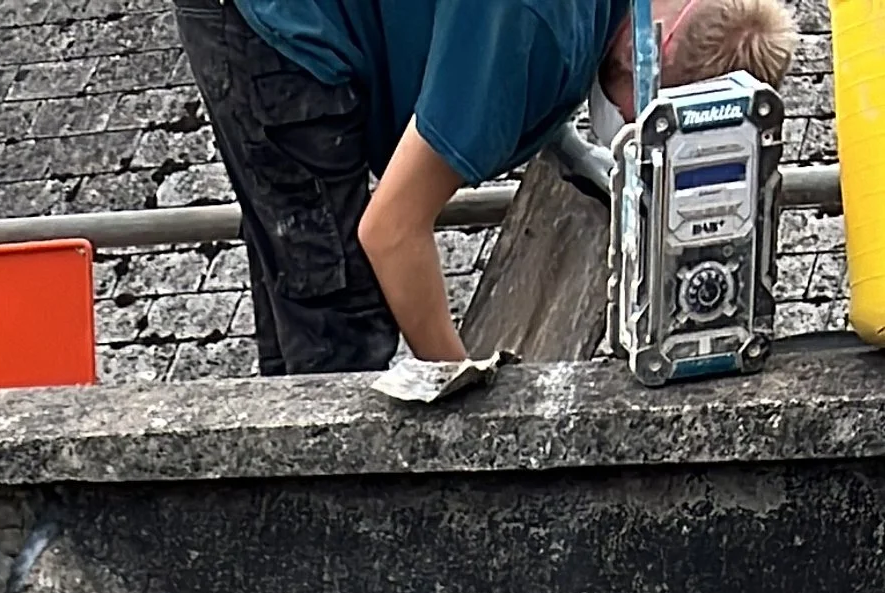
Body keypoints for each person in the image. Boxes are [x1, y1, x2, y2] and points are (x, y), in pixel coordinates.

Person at [173, 0, 797, 369]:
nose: (635, 127)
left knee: (299, 311)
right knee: (341, 332)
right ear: (655, 57)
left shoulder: (589, 20)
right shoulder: (534, 25)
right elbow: (390, 231)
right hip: (279, 27)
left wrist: (565, 144)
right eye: (649, 118)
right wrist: (463, 394)